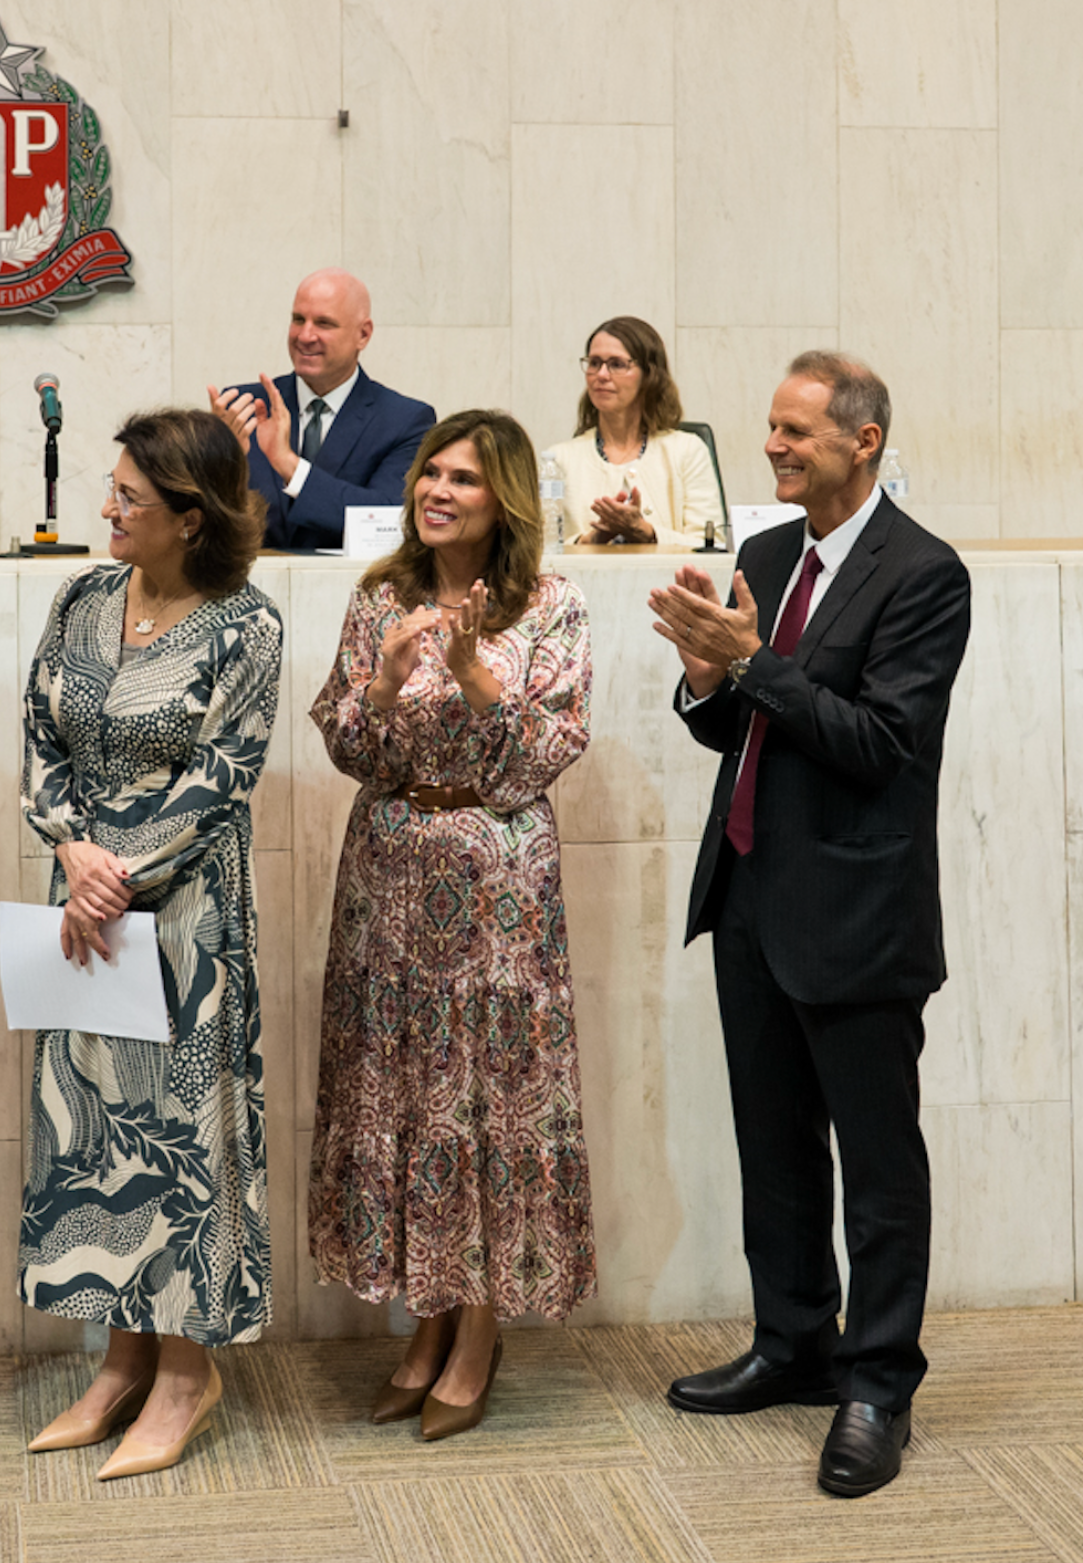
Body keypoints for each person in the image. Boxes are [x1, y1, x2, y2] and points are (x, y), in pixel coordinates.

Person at [649, 352, 971, 1499]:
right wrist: (706, 680)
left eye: (794, 432)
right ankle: (792, 1344)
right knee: (774, 1150)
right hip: (748, 895)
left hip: (858, 915)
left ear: (861, 440)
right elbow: (738, 728)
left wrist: (755, 665)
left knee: (877, 1170)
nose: (772, 447)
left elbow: (879, 744)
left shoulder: (923, 574)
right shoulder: (763, 554)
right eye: (771, 428)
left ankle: (875, 1385)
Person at [307, 408, 595, 1441]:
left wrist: (477, 680)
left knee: (484, 1098)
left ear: (502, 498)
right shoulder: (378, 594)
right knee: (403, 1090)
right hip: (386, 871)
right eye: (431, 473)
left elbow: (546, 756)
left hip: (498, 884)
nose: (437, 491)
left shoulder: (551, 606)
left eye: (463, 479)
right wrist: (383, 686)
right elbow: (346, 742)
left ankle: (477, 1331)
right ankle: (424, 1320)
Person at [18, 407, 281, 1481]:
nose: (107, 509)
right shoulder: (82, 598)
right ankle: (121, 1359)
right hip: (82, 900)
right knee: (92, 1134)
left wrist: (115, 873)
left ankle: (185, 1371)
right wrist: (72, 849)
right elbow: (39, 733)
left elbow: (222, 778)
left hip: (180, 913)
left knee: (180, 1134)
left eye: (128, 497)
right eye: (112, 489)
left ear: (190, 515)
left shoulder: (246, 624)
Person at [207, 268, 435, 551]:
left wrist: (289, 466)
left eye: (324, 324)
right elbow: (203, 517)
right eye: (298, 320)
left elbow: (389, 520)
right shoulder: (244, 407)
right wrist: (216, 464)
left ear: (363, 334)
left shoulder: (405, 420)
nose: (305, 336)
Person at [545, 316, 719, 548]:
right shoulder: (559, 460)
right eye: (594, 363)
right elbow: (541, 550)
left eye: (617, 364)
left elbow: (711, 547)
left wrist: (647, 533)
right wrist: (592, 539)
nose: (601, 375)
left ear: (649, 375)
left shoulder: (688, 451)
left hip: (670, 574)